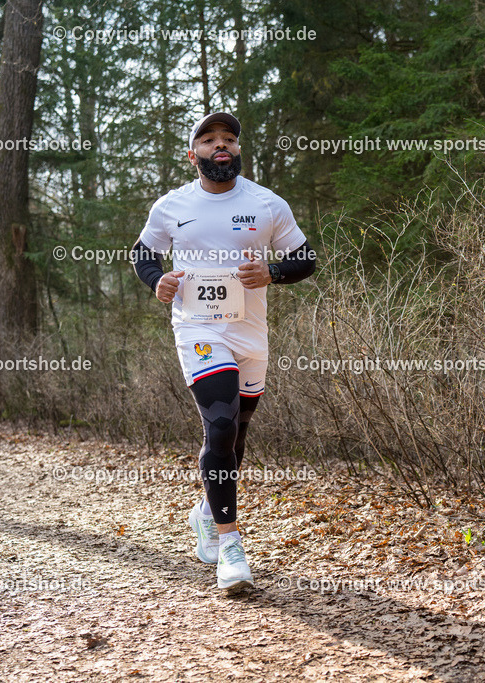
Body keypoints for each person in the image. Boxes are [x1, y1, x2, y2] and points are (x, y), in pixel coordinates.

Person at [132, 112, 316, 593]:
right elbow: (143, 254)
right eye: (209, 139)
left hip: (250, 332)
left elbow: (305, 258)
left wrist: (272, 273)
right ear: (191, 154)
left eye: (229, 139)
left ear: (238, 151)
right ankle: (230, 547)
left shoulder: (266, 203)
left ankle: (206, 509)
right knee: (219, 422)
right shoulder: (171, 206)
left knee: (236, 435)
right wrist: (159, 282)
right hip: (196, 327)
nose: (221, 146)